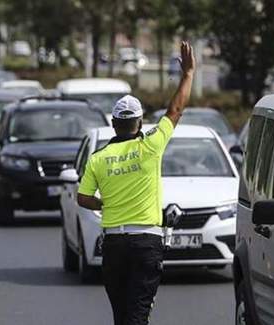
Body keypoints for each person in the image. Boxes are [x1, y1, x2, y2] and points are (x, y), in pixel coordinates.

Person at [77, 41, 195, 325]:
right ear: (140, 124)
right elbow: (176, 110)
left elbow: (82, 198)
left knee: (123, 317)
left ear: (114, 124)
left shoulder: (98, 158)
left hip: (114, 245)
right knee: (137, 315)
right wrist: (188, 74)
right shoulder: (151, 146)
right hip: (146, 244)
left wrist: (104, 203)